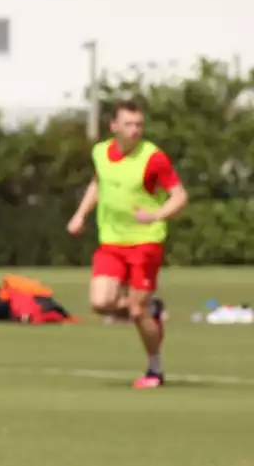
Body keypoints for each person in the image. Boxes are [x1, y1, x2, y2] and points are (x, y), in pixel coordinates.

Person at [66, 98, 188, 388]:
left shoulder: (153, 157)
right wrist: (80, 215)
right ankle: (151, 310)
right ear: (114, 126)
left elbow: (180, 196)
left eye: (139, 125)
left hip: (145, 243)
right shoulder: (100, 152)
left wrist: (156, 214)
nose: (135, 130)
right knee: (100, 302)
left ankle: (154, 369)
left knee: (135, 311)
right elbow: (98, 184)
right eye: (129, 124)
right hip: (111, 241)